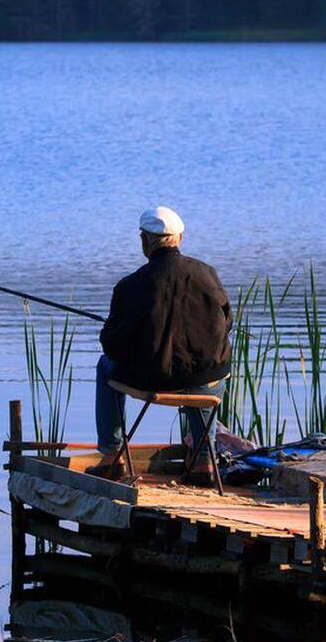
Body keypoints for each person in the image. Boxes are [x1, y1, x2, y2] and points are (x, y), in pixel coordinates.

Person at [88, 206, 232, 485]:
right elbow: (227, 323)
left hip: (151, 380)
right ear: (180, 238)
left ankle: (112, 455)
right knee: (210, 369)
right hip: (204, 381)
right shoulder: (208, 275)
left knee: (105, 366)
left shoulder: (130, 286)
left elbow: (112, 347)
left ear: (144, 242)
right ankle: (204, 461)